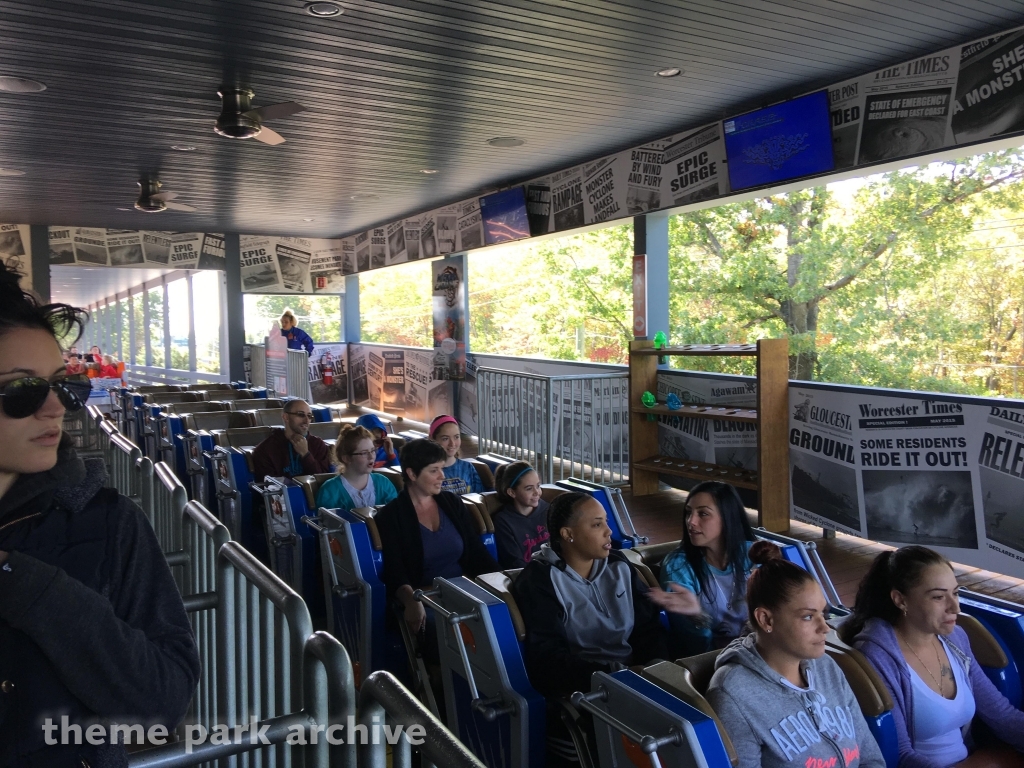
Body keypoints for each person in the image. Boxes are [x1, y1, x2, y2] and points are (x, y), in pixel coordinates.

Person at [0, 263, 199, 766]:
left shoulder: (108, 522)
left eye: (62, 385)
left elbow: (163, 701)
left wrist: (33, 590)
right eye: (22, 390)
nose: (55, 409)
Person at [707, 543, 886, 768]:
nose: (825, 628)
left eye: (823, 613)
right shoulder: (733, 694)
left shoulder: (826, 666)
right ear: (766, 620)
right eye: (808, 617)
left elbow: (871, 758)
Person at [843, 546, 1024, 767]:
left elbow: (1001, 714)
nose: (955, 607)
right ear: (900, 600)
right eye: (938, 597)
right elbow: (899, 754)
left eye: (955, 593)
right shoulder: (878, 657)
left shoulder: (955, 639)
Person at [513, 492, 672, 702]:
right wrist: (616, 676)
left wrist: (655, 666)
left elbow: (648, 628)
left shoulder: (619, 565)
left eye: (606, 522)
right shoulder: (539, 581)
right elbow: (549, 659)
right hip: (585, 690)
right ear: (568, 533)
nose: (609, 531)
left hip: (637, 675)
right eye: (597, 525)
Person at [376, 439, 499, 642]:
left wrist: (501, 583)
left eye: (442, 469)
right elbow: (395, 572)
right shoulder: (391, 516)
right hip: (425, 599)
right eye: (434, 470)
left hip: (463, 592)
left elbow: (476, 553)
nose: (442, 476)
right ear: (412, 474)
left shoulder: (452, 503)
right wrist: (411, 601)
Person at [650, 481, 757, 656]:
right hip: (711, 662)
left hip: (760, 654)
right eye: (688, 513)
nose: (691, 522)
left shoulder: (753, 556)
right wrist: (696, 617)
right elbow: (693, 649)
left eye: (703, 514)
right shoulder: (679, 565)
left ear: (728, 517)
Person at [316, 424, 399, 510]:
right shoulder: (330, 491)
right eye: (364, 453)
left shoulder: (384, 483)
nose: (371, 457)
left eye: (372, 450)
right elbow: (326, 522)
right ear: (347, 458)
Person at [251, 398, 332, 481]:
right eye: (301, 415)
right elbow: (270, 486)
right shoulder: (265, 449)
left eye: (309, 416)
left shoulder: (318, 444)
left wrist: (306, 454)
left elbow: (322, 480)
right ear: (286, 417)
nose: (306, 420)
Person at [492, 460, 550, 569]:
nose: (537, 492)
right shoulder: (503, 521)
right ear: (512, 492)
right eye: (529, 488)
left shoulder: (549, 510)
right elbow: (514, 562)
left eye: (538, 486)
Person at [428, 414, 483, 494]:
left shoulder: (468, 468)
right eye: (445, 438)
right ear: (432, 439)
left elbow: (479, 497)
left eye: (456, 437)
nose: (452, 444)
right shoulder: (427, 471)